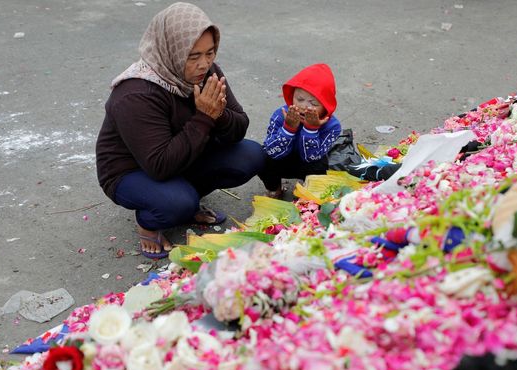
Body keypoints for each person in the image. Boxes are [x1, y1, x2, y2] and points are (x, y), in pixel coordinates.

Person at [95, 2, 265, 259]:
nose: (204, 64)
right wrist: (204, 117)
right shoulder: (136, 93)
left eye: (210, 53)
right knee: (176, 203)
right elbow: (159, 165)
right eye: (193, 56)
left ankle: (187, 201)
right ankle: (149, 219)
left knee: (250, 155)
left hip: (183, 155)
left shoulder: (207, 73)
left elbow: (238, 127)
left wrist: (218, 115)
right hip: (131, 171)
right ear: (171, 50)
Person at [259, 63, 342, 198]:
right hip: (282, 158)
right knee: (262, 157)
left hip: (309, 163)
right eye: (299, 99)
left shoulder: (332, 126)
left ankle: (308, 192)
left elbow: (311, 158)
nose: (304, 106)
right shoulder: (280, 115)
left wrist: (311, 129)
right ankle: (275, 188)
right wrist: (288, 128)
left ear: (326, 106)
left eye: (313, 103)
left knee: (320, 167)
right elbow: (271, 151)